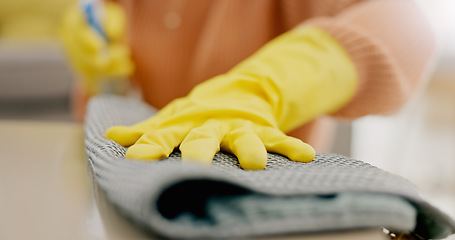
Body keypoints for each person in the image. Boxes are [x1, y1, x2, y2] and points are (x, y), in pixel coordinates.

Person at [61, 0, 436, 170]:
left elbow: (407, 28)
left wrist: (264, 87)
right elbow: (101, 122)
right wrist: (95, 64)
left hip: (267, 193)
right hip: (146, 185)